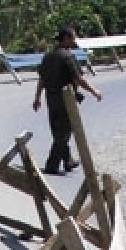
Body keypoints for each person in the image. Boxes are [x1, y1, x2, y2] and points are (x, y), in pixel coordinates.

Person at [32, 27, 102, 176]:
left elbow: (42, 79)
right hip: (66, 98)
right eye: (72, 38)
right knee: (64, 132)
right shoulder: (67, 57)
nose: (74, 41)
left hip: (51, 98)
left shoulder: (48, 56)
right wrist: (94, 91)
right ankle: (52, 165)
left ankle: (68, 160)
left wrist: (37, 98)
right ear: (66, 39)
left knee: (58, 130)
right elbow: (79, 79)